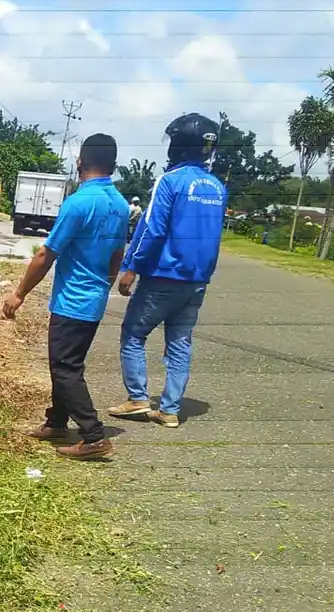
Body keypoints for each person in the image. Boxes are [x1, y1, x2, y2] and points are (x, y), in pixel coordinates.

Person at [2, 134, 129, 461]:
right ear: (113, 165)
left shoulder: (77, 203)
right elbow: (118, 253)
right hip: (95, 298)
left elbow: (46, 254)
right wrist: (106, 285)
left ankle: (93, 435)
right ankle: (57, 422)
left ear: (79, 163)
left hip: (74, 300)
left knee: (65, 369)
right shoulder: (119, 203)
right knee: (67, 364)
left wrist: (19, 293)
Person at [108, 112, 227, 429]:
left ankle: (137, 398)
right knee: (180, 343)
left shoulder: (170, 181)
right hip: (197, 281)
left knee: (133, 333)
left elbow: (152, 230)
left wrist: (131, 268)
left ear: (179, 145)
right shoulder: (217, 188)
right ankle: (170, 410)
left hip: (163, 276)